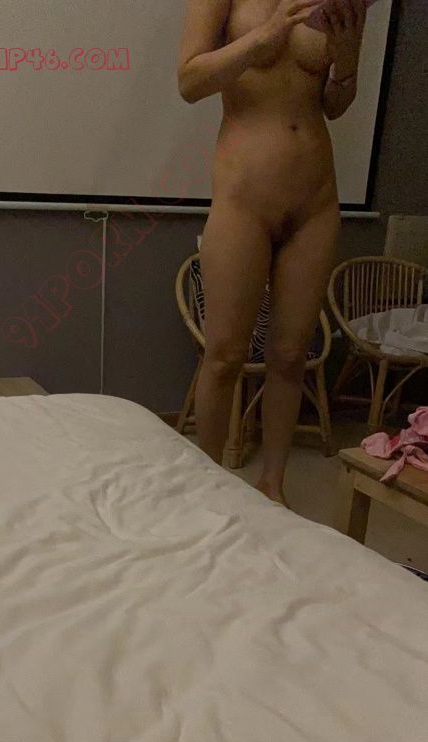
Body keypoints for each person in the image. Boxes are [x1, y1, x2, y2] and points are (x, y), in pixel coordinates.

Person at [178, 0, 366, 504]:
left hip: (315, 200)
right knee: (224, 355)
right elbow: (190, 82)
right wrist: (259, 41)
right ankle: (206, 492)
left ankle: (273, 488)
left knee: (289, 354)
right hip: (243, 198)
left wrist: (347, 63)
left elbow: (334, 104)